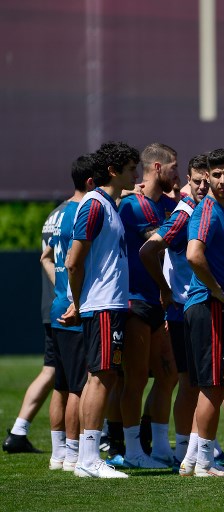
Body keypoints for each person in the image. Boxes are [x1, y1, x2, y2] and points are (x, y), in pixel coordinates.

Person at [57, 140, 139, 478]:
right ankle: (88, 459)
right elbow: (73, 262)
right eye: (131, 169)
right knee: (101, 377)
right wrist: (77, 301)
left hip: (109, 304)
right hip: (102, 305)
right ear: (113, 171)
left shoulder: (108, 204)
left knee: (102, 376)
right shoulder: (94, 205)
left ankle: (88, 457)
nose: (135, 174)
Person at [180, 148, 224, 477]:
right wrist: (217, 291)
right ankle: (205, 463)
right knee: (214, 386)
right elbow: (194, 255)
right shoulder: (207, 210)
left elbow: (218, 263)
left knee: (213, 386)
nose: (223, 180)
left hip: (213, 305)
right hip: (209, 306)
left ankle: (193, 459)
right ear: (207, 177)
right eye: (216, 174)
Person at [138, 154, 210, 470]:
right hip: (184, 310)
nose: (204, 186)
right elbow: (148, 250)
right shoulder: (183, 216)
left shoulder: (208, 211)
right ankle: (183, 451)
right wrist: (165, 290)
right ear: (186, 183)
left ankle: (194, 449)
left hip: (201, 307)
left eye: (209, 180)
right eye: (197, 181)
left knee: (199, 382)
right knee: (189, 382)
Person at [117, 143, 179, 468]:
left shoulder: (167, 204)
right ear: (157, 167)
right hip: (135, 301)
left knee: (168, 375)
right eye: (173, 168)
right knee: (136, 378)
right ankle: (132, 452)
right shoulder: (131, 206)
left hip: (158, 304)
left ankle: (160, 448)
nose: (176, 175)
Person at [41, 155, 95, 471]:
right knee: (79, 386)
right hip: (75, 310)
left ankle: (57, 453)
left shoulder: (59, 212)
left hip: (58, 305)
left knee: (61, 386)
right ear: (91, 182)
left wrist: (61, 284)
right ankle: (74, 454)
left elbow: (45, 257)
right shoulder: (83, 212)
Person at [3, 200, 65, 455]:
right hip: (66, 303)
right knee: (71, 376)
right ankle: (91, 438)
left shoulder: (53, 214)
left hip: (51, 302)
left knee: (51, 371)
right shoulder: (76, 211)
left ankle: (19, 431)